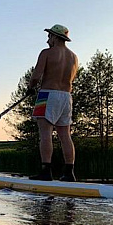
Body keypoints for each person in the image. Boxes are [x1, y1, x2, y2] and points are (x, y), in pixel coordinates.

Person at [28, 25, 78, 181]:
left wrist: (30, 87)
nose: (47, 39)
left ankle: (45, 171)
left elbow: (36, 75)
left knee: (45, 134)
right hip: (66, 96)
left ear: (55, 37)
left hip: (47, 94)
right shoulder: (74, 57)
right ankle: (69, 173)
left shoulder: (46, 53)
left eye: (49, 36)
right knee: (65, 135)